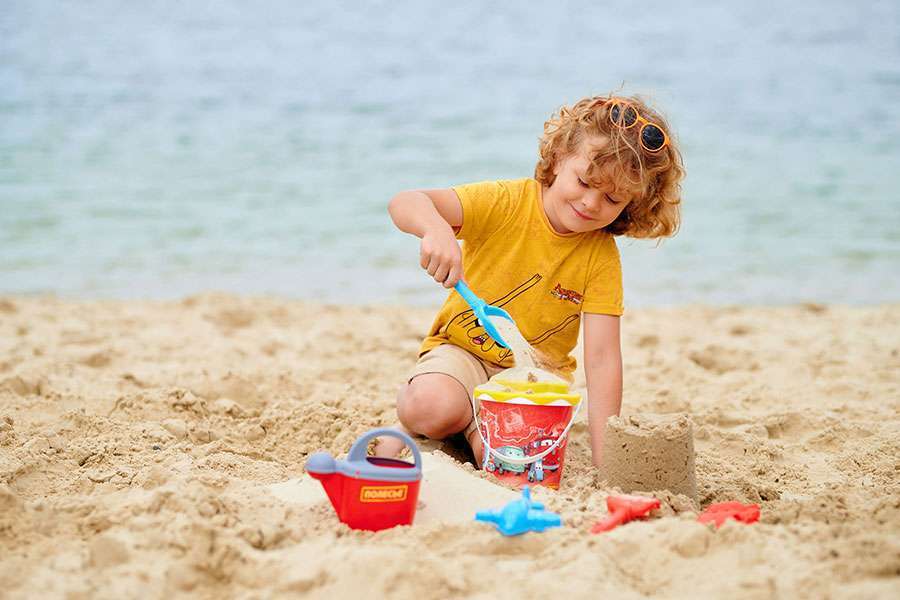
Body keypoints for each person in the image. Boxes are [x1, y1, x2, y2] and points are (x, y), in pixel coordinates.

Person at [375, 94, 684, 467]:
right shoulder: (507, 202)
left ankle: (473, 427)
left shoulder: (600, 257)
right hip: (462, 353)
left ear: (630, 205)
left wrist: (608, 464)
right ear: (557, 159)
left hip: (531, 382)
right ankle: (444, 414)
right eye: (584, 181)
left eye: (612, 199)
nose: (590, 203)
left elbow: (602, 359)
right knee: (428, 407)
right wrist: (437, 230)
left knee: (514, 466)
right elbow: (406, 202)